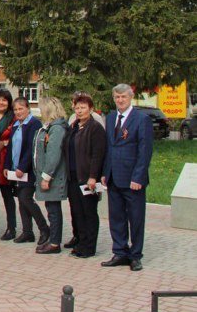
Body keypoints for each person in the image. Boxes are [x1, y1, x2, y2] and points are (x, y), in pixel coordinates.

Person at [101, 84, 153, 272]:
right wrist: (105, 173)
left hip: (133, 179)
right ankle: (120, 252)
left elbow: (144, 151)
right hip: (114, 176)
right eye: (116, 97)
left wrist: (138, 177)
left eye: (123, 96)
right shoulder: (112, 117)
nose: (120, 100)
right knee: (116, 217)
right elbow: (109, 147)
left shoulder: (141, 119)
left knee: (136, 218)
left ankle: (135, 255)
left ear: (131, 97)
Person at [62, 92, 107, 259]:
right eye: (77, 107)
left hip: (87, 177)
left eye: (83, 108)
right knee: (77, 212)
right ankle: (80, 242)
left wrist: (93, 176)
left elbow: (98, 154)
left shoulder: (95, 128)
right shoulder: (74, 126)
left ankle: (89, 246)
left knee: (88, 212)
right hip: (73, 176)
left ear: (91, 109)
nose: (80, 111)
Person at [7, 97, 48, 246]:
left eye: (21, 109)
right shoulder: (15, 124)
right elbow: (11, 147)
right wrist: (7, 166)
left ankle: (44, 229)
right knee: (21, 199)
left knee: (26, 198)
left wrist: (22, 167)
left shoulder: (33, 124)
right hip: (16, 170)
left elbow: (32, 148)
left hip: (29, 170)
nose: (18, 112)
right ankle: (27, 232)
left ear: (28, 108)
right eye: (16, 109)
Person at [33, 97, 69, 254]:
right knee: (51, 208)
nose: (40, 112)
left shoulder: (57, 129)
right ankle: (53, 239)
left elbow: (54, 154)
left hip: (53, 177)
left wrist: (46, 176)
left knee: (54, 210)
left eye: (42, 109)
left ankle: (55, 242)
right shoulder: (50, 127)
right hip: (47, 175)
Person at [0, 88, 17, 241]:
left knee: (7, 196)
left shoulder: (12, 117)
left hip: (5, 161)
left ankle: (11, 227)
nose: (1, 103)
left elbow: (17, 137)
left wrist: (5, 142)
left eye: (4, 100)